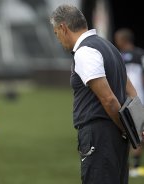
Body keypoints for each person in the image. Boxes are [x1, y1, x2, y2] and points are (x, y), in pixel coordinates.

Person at [49, 4, 137, 184]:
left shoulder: (85, 52)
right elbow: (133, 92)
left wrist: (126, 129)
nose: (58, 39)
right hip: (115, 137)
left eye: (56, 33)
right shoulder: (110, 47)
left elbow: (109, 99)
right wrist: (135, 126)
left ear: (63, 28)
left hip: (100, 135)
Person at [114, 28, 144, 177]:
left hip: (132, 100)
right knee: (137, 133)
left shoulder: (118, 57)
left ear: (123, 40)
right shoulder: (138, 54)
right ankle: (135, 165)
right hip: (136, 100)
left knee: (136, 133)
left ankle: (134, 166)